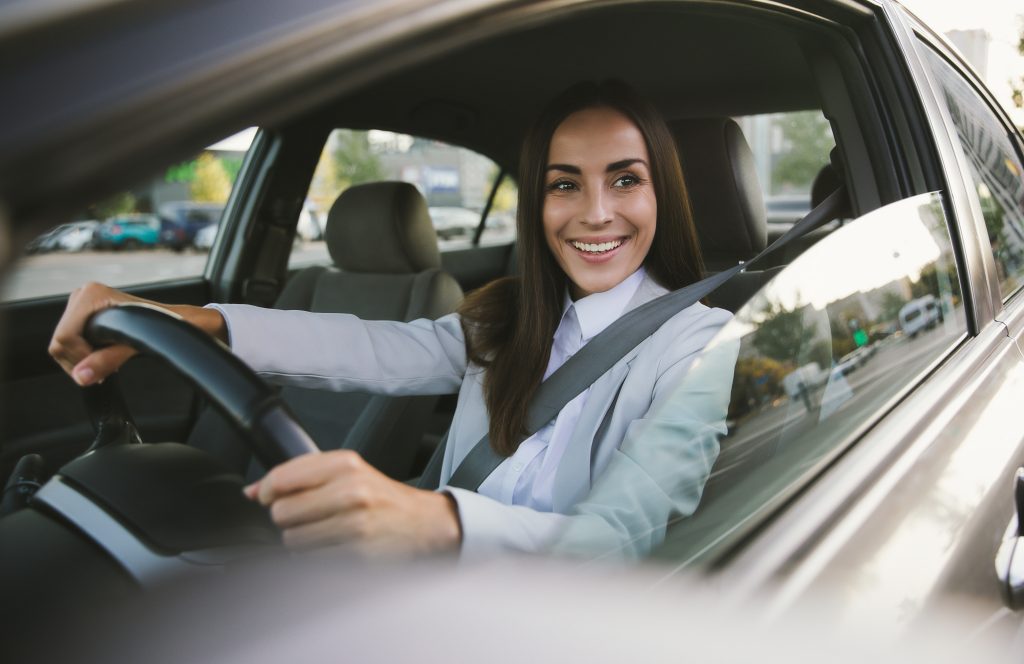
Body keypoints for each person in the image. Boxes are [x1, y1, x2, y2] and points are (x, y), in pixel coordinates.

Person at [49, 81, 734, 561]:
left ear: (661, 193)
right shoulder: (509, 318)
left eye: (624, 179)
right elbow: (369, 349)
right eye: (564, 184)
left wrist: (435, 521)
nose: (594, 213)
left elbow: (625, 536)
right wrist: (190, 320)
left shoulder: (697, 347)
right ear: (538, 202)